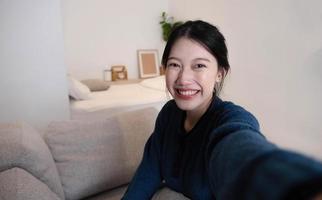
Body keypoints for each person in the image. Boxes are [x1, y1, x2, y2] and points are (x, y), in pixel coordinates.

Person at [122, 20, 322, 200]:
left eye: (199, 65)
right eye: (175, 65)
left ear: (219, 73)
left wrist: (299, 185)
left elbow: (242, 153)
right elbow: (148, 171)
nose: (183, 79)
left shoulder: (231, 119)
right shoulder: (168, 113)